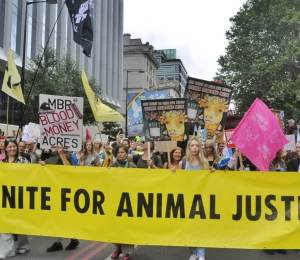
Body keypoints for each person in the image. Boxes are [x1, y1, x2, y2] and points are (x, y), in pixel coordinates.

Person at [41, 146, 80, 252]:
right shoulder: (54, 157)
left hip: (69, 193)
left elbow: (70, 170)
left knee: (68, 218)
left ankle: (74, 239)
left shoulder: (73, 157)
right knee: (56, 218)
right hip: (56, 192)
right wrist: (43, 165)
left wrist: (62, 155)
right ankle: (58, 242)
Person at [179, 137, 209, 260]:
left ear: (199, 148)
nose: (195, 148)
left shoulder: (204, 163)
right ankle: (194, 252)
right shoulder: (183, 163)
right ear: (189, 148)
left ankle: (201, 255)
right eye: (192, 145)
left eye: (197, 145)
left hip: (201, 200)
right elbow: (179, 181)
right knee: (188, 228)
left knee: (200, 228)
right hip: (187, 200)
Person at [0, 140, 30, 257]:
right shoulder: (2, 162)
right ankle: (8, 250)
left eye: (14, 146)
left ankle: (23, 245)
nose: (12, 148)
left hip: (20, 195)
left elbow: (32, 174)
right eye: (10, 146)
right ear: (6, 149)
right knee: (3, 221)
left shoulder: (23, 160)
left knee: (20, 221)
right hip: (5, 195)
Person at [110, 145, 136, 260]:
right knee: (115, 226)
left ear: (126, 153)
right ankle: (117, 248)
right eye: (119, 152)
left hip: (129, 199)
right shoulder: (112, 166)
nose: (121, 154)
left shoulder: (132, 166)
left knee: (127, 226)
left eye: (123, 152)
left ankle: (126, 252)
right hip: (115, 199)